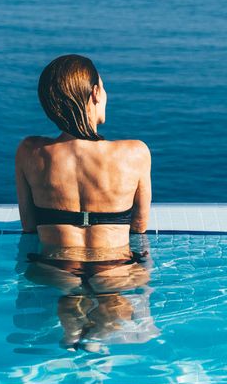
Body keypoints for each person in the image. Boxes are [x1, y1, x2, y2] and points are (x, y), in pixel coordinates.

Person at [15, 54, 153, 305]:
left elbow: (29, 227)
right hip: (116, 268)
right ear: (96, 93)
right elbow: (139, 226)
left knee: (69, 304)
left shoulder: (29, 151)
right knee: (113, 305)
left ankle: (71, 327)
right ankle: (97, 338)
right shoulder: (135, 152)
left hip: (53, 268)